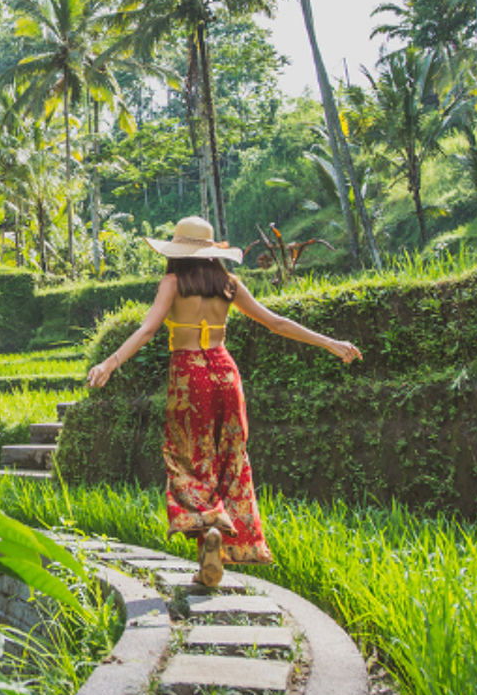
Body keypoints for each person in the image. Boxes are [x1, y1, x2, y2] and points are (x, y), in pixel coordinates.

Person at [85, 216, 361, 587]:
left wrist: (110, 362)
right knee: (228, 458)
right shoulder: (229, 284)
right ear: (212, 252)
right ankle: (211, 557)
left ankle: (210, 525)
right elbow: (276, 322)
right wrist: (331, 343)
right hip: (226, 374)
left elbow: (148, 329)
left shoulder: (172, 282)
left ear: (178, 252)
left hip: (189, 377)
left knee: (188, 458)